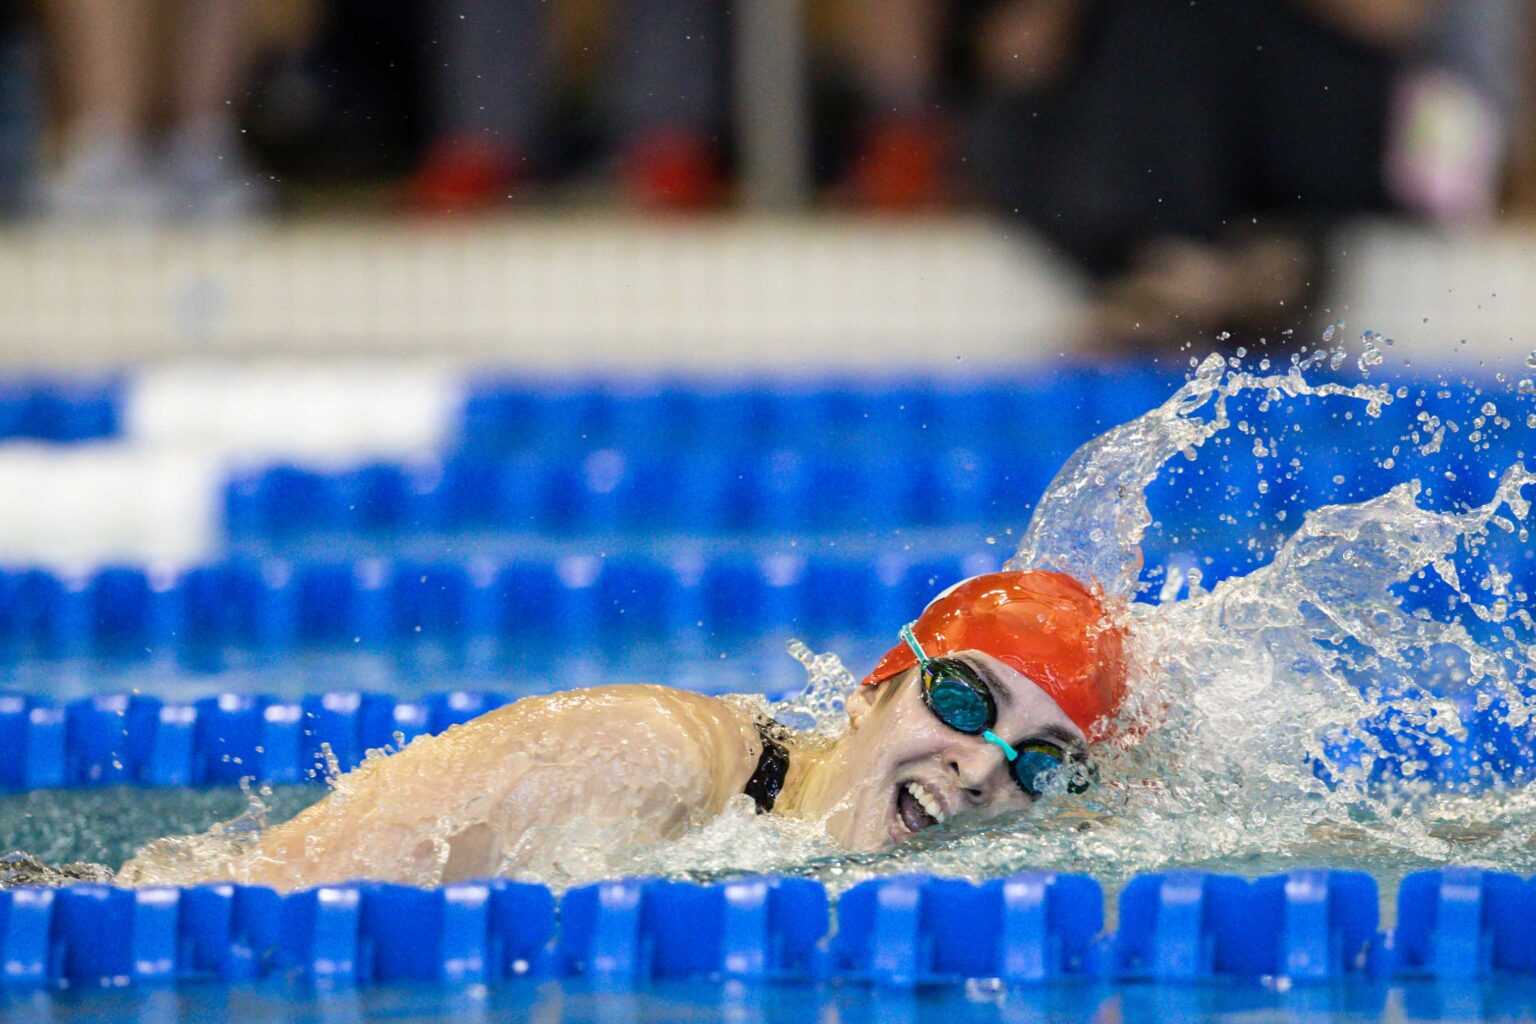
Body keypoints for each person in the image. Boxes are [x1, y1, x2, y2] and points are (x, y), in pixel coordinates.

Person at [121, 569, 1128, 889]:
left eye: (1041, 758)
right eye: (963, 699)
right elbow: (254, 893)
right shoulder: (652, 756)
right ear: (872, 689)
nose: (980, 763)